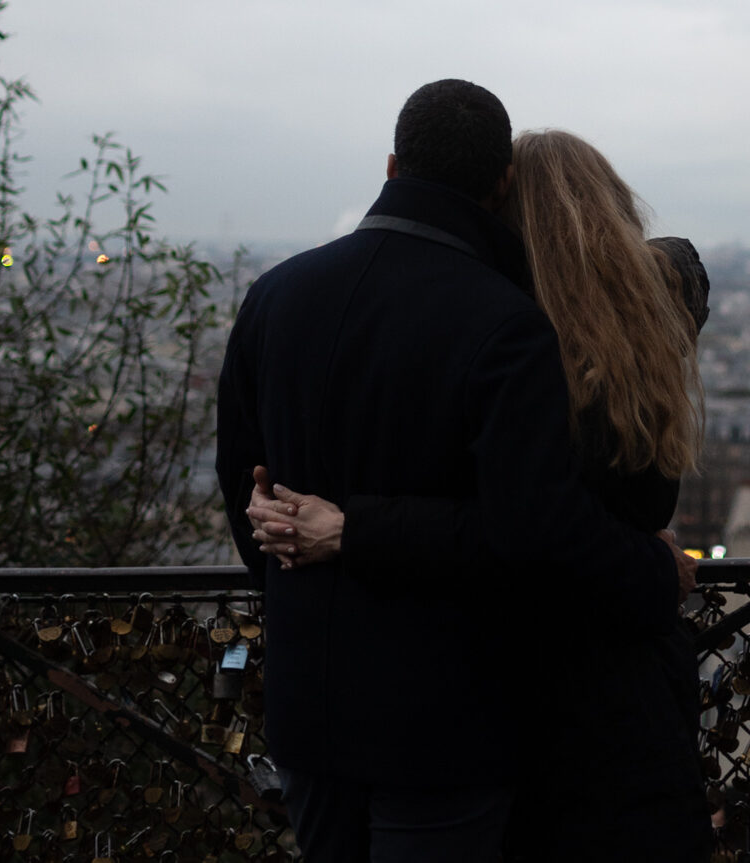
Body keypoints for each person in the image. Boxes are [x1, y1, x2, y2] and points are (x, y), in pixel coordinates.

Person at [216, 82, 696, 863]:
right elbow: (527, 528)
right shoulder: (502, 321)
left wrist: (306, 568)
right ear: (498, 183)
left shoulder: (273, 295)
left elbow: (248, 496)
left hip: (308, 704)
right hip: (445, 716)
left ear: (391, 163)